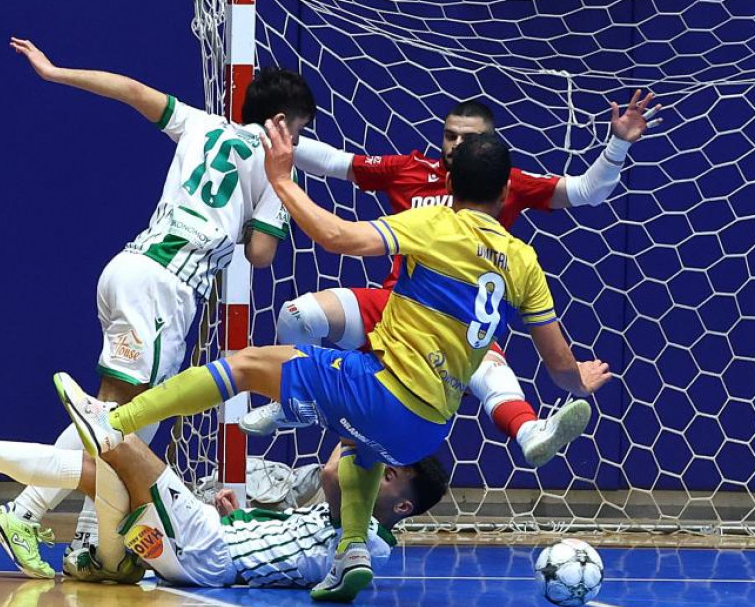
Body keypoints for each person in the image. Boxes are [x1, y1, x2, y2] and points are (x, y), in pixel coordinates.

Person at [53, 126, 613, 601]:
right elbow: (559, 364)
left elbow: (336, 236)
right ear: (507, 188)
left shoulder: (437, 223)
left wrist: (280, 181)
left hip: (384, 392)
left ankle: (114, 422)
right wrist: (578, 380)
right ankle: (350, 550)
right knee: (363, 445)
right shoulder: (523, 259)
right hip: (429, 429)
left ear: (449, 182)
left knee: (246, 365)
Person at [0, 38, 316, 578]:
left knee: (120, 417)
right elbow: (261, 254)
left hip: (127, 267)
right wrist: (278, 192)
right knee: (118, 422)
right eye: (299, 130)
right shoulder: (275, 170)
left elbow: (131, 90)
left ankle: (91, 542)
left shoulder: (200, 124)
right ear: (281, 125)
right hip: (164, 289)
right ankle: (23, 512)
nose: (298, 142)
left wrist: (56, 72)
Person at [244, 91, 662, 468]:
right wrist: (260, 133)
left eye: (469, 138)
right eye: (450, 136)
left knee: (488, 368)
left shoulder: (502, 182)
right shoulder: (410, 170)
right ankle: (294, 401)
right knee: (299, 314)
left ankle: (529, 430)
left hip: (459, 323)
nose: (457, 145)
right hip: (396, 306)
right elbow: (335, 162)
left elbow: (587, 190)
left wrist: (618, 144)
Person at [0, 380, 448, 589]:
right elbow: (290, 539)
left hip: (207, 554)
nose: (369, 466)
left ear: (402, 506)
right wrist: (241, 516)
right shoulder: (347, 524)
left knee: (117, 440)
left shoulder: (367, 543)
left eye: (386, 470)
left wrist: (365, 425)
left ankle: (104, 418)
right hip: (202, 541)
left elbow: (332, 478)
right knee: (100, 475)